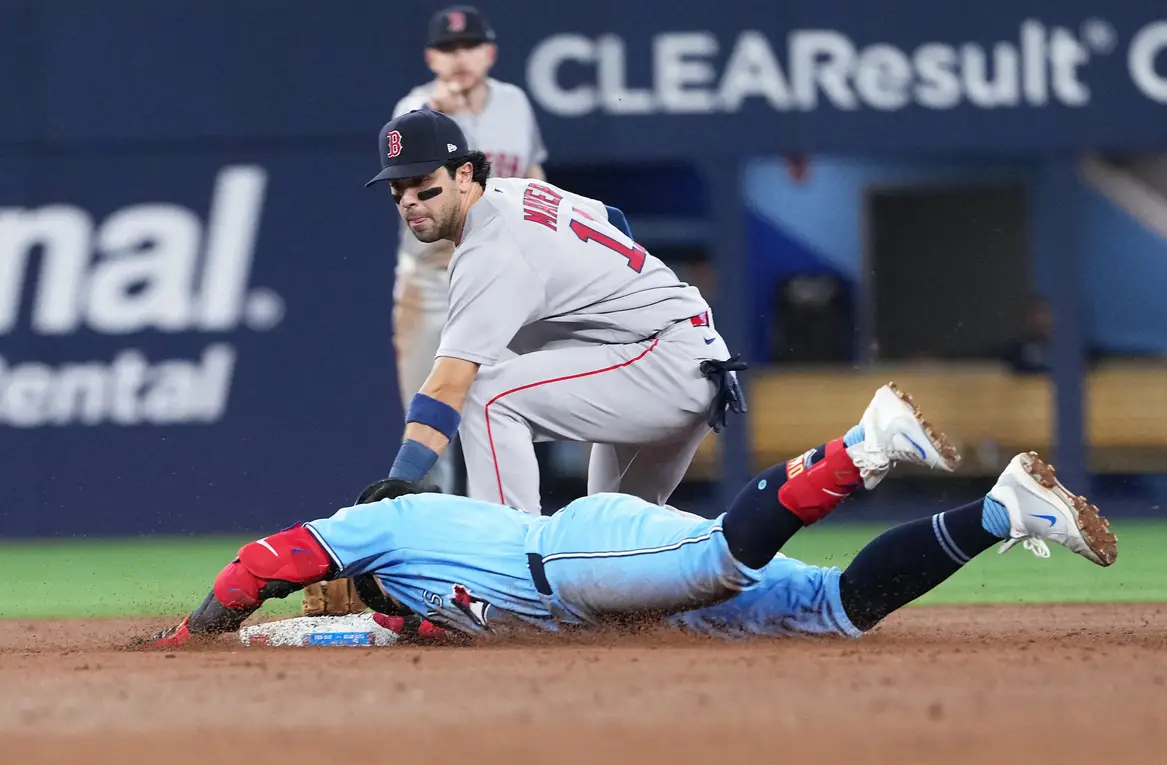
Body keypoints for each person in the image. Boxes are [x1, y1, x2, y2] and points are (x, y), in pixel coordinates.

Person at [137, 385, 1116, 649]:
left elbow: (261, 563)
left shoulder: (381, 526)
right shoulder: (410, 608)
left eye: (333, 581)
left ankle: (864, 444)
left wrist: (197, 635)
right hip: (603, 594)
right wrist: (280, 645)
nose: (332, 591)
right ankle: (999, 513)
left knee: (719, 562)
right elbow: (347, 634)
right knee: (834, 609)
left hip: (577, 557)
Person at [368, 107, 747, 516]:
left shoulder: (491, 249)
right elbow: (614, 221)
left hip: (663, 360)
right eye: (397, 187)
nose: (409, 200)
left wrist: (403, 478)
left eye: (423, 183)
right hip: (673, 357)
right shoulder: (518, 191)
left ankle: (507, 559)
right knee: (609, 536)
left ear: (463, 175)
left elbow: (449, 385)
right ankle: (745, 567)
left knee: (488, 397)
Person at [390, 5, 548, 496]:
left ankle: (504, 522)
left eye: (469, 46)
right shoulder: (415, 114)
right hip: (432, 282)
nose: (460, 57)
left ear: (490, 52)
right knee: (427, 412)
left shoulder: (515, 103)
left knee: (502, 407)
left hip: (504, 277)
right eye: (448, 48)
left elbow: (536, 174)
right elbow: (409, 198)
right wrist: (435, 114)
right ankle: (432, 538)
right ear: (431, 57)